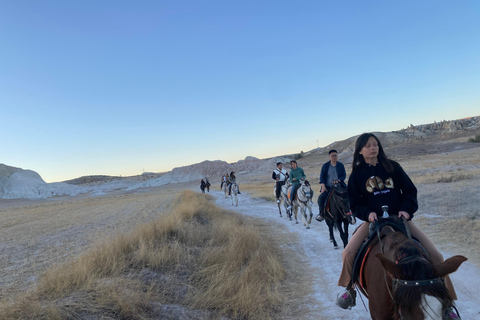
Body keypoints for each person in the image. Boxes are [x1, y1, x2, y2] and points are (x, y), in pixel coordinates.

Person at [336, 133, 459, 316]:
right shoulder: (357, 175)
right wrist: (367, 213)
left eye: (375, 144)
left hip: (400, 219)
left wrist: (406, 210)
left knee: (437, 256)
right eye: (368, 145)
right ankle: (349, 288)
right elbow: (355, 204)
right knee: (348, 252)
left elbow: (410, 191)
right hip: (374, 222)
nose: (373, 148)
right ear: (360, 151)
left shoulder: (393, 167)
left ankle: (447, 303)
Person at [316, 150, 347, 222]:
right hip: (328, 187)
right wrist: (323, 186)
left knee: (349, 194)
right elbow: (322, 177)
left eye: (335, 155)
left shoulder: (341, 165)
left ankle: (350, 212)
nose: (334, 157)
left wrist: (339, 180)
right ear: (329, 157)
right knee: (321, 198)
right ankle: (321, 214)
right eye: (332, 155)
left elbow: (343, 175)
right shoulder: (325, 166)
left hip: (339, 186)